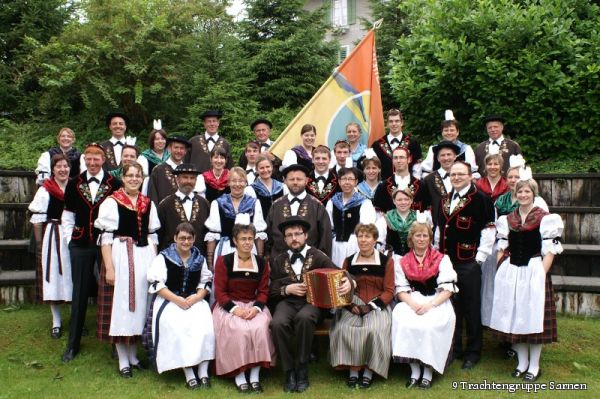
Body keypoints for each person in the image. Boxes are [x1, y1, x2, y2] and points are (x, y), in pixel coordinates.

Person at [489, 177, 563, 382]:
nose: (522, 195)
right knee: (516, 317)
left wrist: (541, 273)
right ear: (515, 194)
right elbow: (502, 247)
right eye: (519, 192)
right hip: (512, 271)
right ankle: (521, 363)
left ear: (534, 194)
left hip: (533, 270)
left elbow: (550, 250)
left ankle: (535, 365)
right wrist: (501, 267)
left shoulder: (545, 218)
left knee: (533, 318)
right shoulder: (508, 219)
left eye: (527, 192)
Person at [94, 162, 160, 377]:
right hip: (121, 257)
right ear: (123, 177)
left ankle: (133, 355)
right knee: (122, 307)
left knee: (139, 306)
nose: (133, 179)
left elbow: (152, 235)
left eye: (137, 175)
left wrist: (154, 263)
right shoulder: (112, 202)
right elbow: (105, 239)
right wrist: (110, 269)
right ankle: (123, 358)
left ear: (142, 178)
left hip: (143, 257)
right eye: (129, 175)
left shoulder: (147, 203)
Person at [61, 143, 122, 362]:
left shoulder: (115, 184)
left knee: (113, 292)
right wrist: (70, 240)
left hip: (107, 245)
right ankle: (72, 345)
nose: (93, 163)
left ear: (103, 160)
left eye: (97, 159)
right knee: (79, 293)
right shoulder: (74, 183)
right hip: (80, 243)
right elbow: (67, 214)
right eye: (89, 159)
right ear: (84, 160)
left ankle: (117, 345)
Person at [435, 161, 495, 370]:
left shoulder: (481, 200)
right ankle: (455, 349)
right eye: (453, 174)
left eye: (461, 174)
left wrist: (478, 259)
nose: (457, 177)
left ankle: (473, 352)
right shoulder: (444, 199)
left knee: (471, 308)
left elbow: (488, 232)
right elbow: (439, 230)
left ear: (470, 176)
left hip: (468, 262)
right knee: (452, 307)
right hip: (446, 262)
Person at [269, 217, 337, 393]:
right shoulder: (278, 259)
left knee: (304, 318)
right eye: (289, 235)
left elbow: (339, 275)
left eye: (298, 234)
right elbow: (272, 289)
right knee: (277, 323)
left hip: (313, 303)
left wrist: (350, 283)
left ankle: (302, 368)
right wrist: (287, 289)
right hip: (287, 302)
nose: (294, 238)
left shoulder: (319, 256)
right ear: (284, 239)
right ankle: (289, 370)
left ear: (306, 235)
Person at [146, 222, 214, 389]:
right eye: (182, 238)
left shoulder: (199, 258)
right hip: (170, 300)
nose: (186, 242)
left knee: (205, 327)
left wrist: (197, 297)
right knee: (179, 327)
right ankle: (189, 372)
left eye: (189, 238)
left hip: (194, 300)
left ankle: (203, 371)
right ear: (175, 238)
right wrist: (178, 300)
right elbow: (157, 285)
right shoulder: (163, 257)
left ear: (194, 239)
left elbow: (205, 282)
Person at [392, 219, 457, 389]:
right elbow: (401, 290)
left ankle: (428, 370)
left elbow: (448, 289)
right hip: (412, 300)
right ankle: (414, 369)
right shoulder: (402, 261)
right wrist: (413, 305)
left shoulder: (441, 259)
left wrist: (430, 305)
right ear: (411, 238)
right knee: (404, 322)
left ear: (429, 238)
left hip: (436, 300)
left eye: (425, 235)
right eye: (417, 236)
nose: (421, 239)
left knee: (430, 326)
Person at [213, 221, 275, 393]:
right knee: (238, 329)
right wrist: (236, 310)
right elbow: (220, 292)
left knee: (260, 327)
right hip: (229, 305)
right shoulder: (224, 261)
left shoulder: (261, 263)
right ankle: (239, 373)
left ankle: (255, 375)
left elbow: (263, 291)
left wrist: (255, 309)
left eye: (250, 239)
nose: (247, 242)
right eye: (243, 239)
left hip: (253, 305)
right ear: (235, 241)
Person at [329, 223, 394, 388]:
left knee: (375, 329)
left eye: (367, 236)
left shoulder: (386, 261)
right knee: (344, 327)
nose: (363, 240)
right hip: (353, 302)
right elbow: (341, 288)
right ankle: (353, 370)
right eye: (360, 236)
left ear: (375, 240)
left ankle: (369, 370)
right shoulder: (349, 261)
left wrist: (371, 306)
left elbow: (389, 291)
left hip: (377, 303)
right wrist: (350, 306)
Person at [29, 154, 73, 339]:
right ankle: (56, 321)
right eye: (59, 166)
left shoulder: (75, 187)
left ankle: (74, 318)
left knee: (72, 276)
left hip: (72, 236)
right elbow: (37, 221)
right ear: (53, 169)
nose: (63, 169)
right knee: (53, 276)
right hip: (53, 236)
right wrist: (40, 245)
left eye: (65, 166)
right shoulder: (46, 189)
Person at [266, 164, 332, 260]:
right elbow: (268, 235)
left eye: (299, 179)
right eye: (292, 179)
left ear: (306, 181)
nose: (295, 182)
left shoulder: (317, 205)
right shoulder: (276, 205)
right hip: (279, 263)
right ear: (285, 181)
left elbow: (325, 236)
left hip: (311, 262)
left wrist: (321, 261)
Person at [205, 167, 267, 268]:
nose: (237, 184)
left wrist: (259, 260)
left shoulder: (254, 203)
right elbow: (212, 236)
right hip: (225, 249)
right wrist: (210, 264)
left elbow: (259, 234)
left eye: (241, 181)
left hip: (249, 250)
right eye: (234, 181)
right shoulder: (218, 203)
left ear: (246, 183)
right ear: (228, 183)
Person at [326, 167, 376, 267]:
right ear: (339, 182)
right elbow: (328, 225)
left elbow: (367, 227)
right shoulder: (332, 202)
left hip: (355, 244)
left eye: (350, 179)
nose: (347, 182)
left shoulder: (364, 203)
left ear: (356, 182)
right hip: (336, 245)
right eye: (344, 179)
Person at [157, 163, 210, 251]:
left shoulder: (204, 204)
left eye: (192, 178)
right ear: (177, 179)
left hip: (199, 258)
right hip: (172, 258)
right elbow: (159, 235)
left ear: (196, 180)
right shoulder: (165, 204)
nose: (189, 181)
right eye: (185, 177)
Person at [420, 111, 478, 178]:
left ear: (457, 132)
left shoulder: (466, 149)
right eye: (446, 130)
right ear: (442, 132)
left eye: (452, 130)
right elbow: (426, 171)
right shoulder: (433, 149)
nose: (449, 133)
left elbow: (472, 172)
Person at [372, 108, 422, 180]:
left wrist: (414, 185)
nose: (394, 124)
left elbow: (417, 168)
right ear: (387, 124)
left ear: (402, 123)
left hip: (407, 186)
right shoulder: (377, 145)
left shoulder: (413, 144)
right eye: (391, 121)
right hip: (385, 186)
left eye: (397, 121)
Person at [420, 141, 459, 227]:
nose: (446, 158)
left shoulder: (463, 177)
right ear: (437, 158)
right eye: (442, 155)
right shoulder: (428, 180)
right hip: (437, 226)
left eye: (449, 154)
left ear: (455, 156)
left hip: (460, 226)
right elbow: (425, 205)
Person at [373, 147, 423, 213]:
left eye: (401, 157)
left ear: (409, 159)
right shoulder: (383, 186)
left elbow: (426, 210)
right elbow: (378, 211)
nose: (398, 161)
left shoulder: (421, 185)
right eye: (395, 158)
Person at [148, 136, 193, 205]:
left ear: (185, 151)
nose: (179, 151)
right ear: (169, 149)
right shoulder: (158, 170)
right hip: (163, 214)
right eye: (176, 147)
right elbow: (152, 198)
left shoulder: (190, 172)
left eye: (182, 148)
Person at [377, 188, 418, 258]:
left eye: (406, 199)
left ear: (411, 200)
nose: (403, 202)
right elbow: (379, 242)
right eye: (399, 200)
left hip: (414, 259)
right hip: (391, 259)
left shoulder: (419, 217)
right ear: (394, 201)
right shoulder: (385, 219)